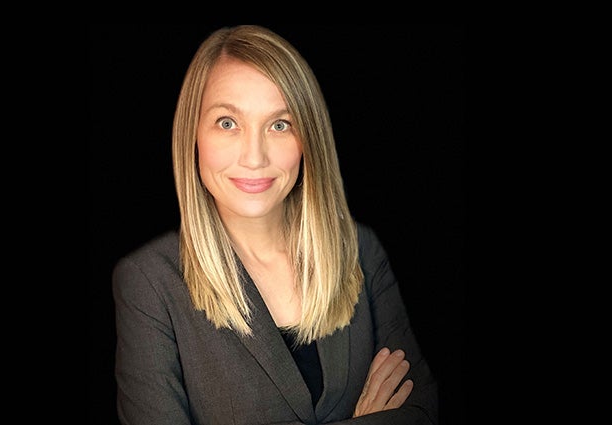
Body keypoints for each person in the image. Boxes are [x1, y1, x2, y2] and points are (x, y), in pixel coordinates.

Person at [112, 25, 438, 424]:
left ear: (308, 138)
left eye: (279, 124)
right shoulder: (148, 284)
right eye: (228, 122)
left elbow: (421, 410)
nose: (255, 156)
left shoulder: (360, 249)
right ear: (192, 135)